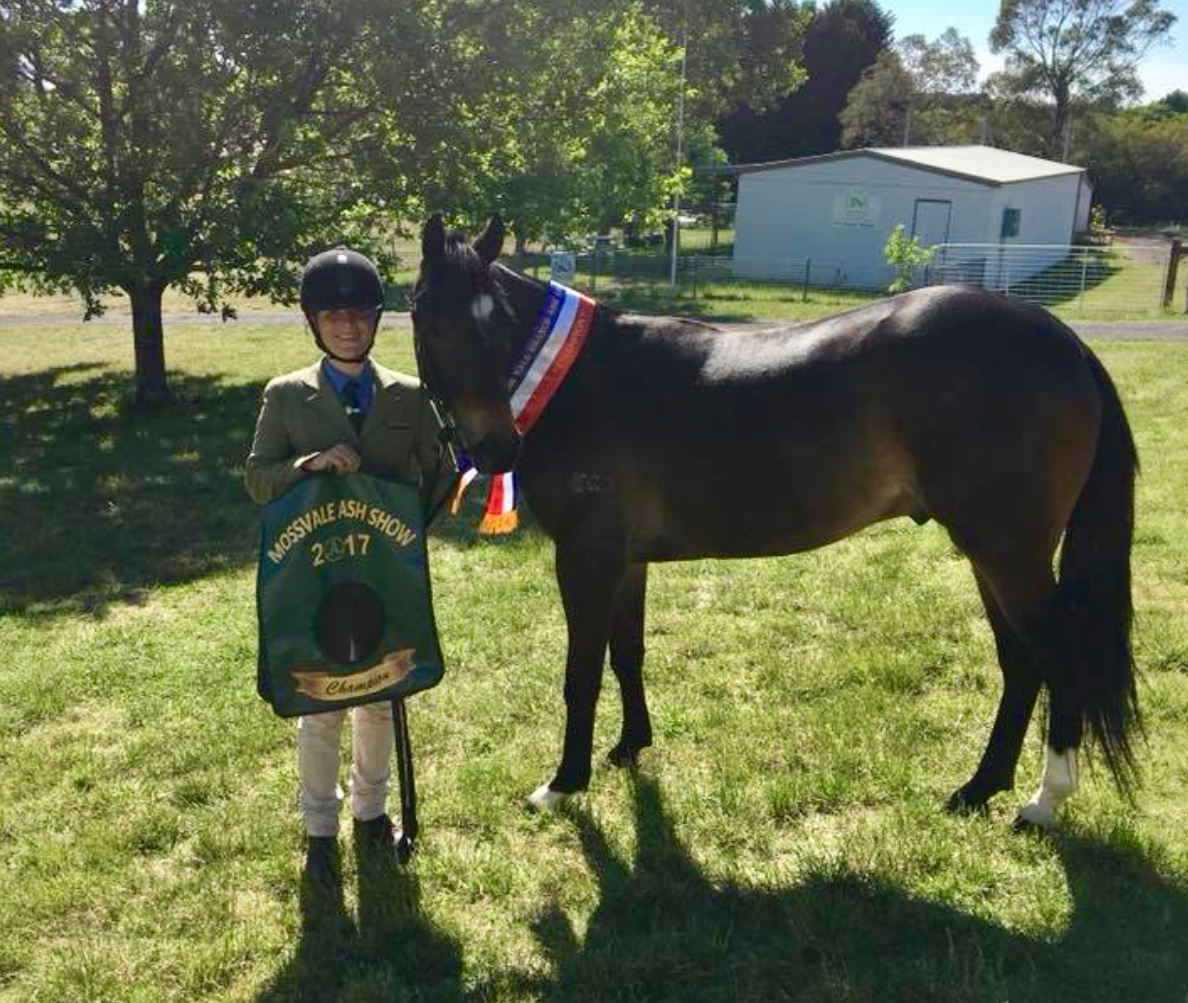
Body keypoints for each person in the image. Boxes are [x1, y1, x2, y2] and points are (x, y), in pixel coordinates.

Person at [245, 246, 445, 878]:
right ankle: (319, 826)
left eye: (359, 313)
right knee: (320, 703)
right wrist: (308, 465)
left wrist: (409, 536)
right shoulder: (286, 396)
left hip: (384, 577)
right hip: (315, 575)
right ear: (313, 321)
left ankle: (371, 811)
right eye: (333, 315)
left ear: (375, 319)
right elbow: (257, 479)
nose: (348, 326)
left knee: (382, 696)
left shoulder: (409, 397)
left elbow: (438, 476)